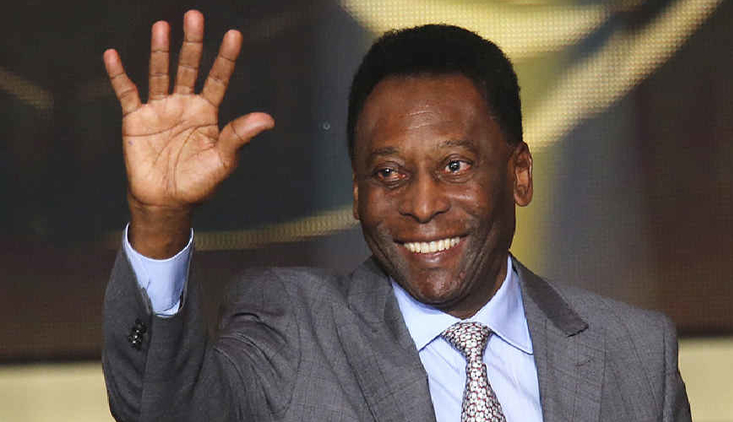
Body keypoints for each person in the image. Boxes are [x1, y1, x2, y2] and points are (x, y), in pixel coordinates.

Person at [102, 10, 691, 422]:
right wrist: (159, 220)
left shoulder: (635, 353)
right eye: (389, 173)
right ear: (357, 195)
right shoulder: (295, 328)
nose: (423, 204)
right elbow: (162, 408)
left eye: (455, 166)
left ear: (519, 175)